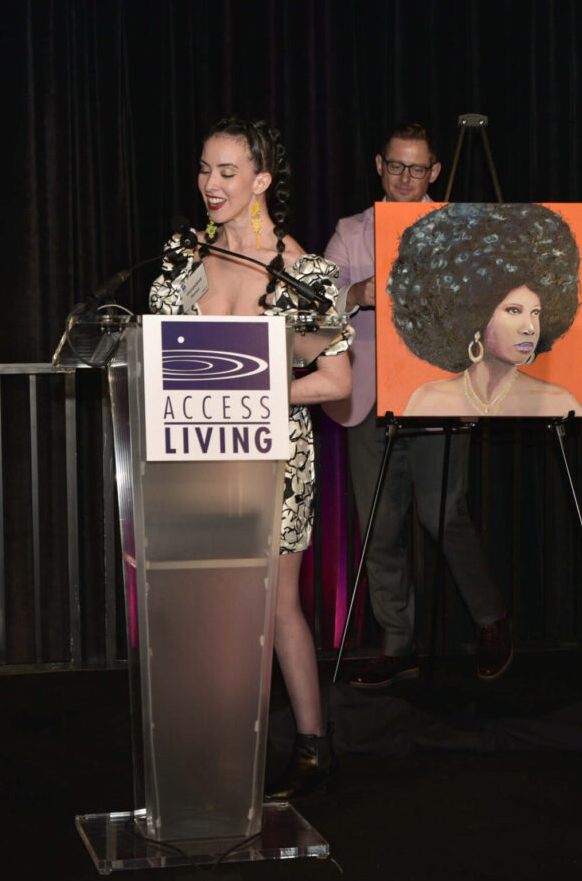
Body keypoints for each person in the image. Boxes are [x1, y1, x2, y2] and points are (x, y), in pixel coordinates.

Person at [149, 117, 352, 796]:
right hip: (199, 455)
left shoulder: (303, 274)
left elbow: (337, 383)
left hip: (274, 458)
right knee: (211, 604)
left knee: (271, 606)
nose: (210, 183)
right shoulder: (183, 263)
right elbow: (156, 362)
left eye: (227, 172)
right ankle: (218, 741)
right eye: (205, 169)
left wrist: (260, 389)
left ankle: (311, 744)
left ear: (261, 181)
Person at [321, 123, 512, 687]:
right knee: (379, 525)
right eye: (396, 167)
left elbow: (493, 307)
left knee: (441, 514)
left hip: (439, 394)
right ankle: (397, 643)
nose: (405, 178)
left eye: (417, 169)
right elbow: (319, 301)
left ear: (433, 172)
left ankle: (491, 619)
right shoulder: (351, 232)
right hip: (366, 401)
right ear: (379, 166)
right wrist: (357, 294)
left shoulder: (457, 229)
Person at [390, 203, 582, 417]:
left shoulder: (559, 405)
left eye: (535, 312)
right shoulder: (427, 401)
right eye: (513, 310)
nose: (529, 328)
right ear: (475, 317)